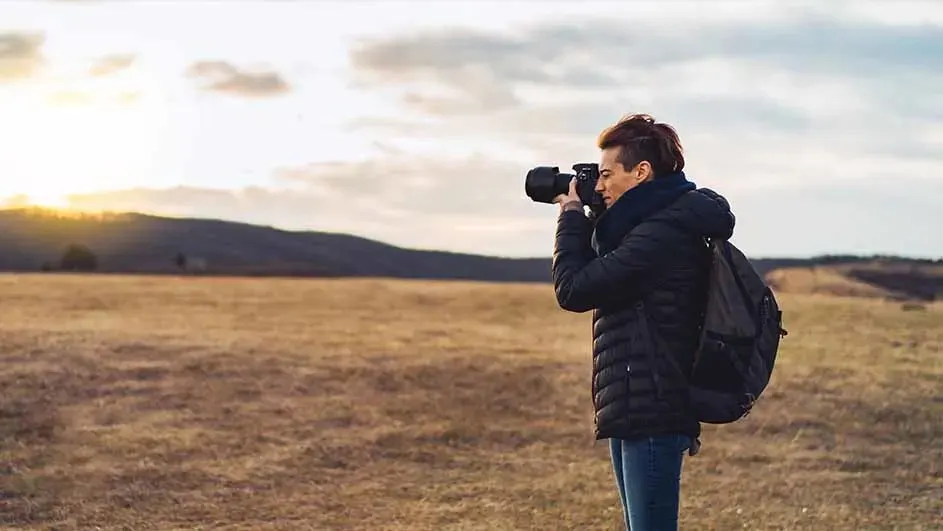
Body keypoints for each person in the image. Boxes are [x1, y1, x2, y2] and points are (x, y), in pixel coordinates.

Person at [550, 113, 736, 530]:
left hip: (654, 404)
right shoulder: (650, 227)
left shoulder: (663, 232)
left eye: (606, 174)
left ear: (642, 172)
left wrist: (571, 215)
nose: (598, 186)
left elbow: (574, 289)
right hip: (636, 402)